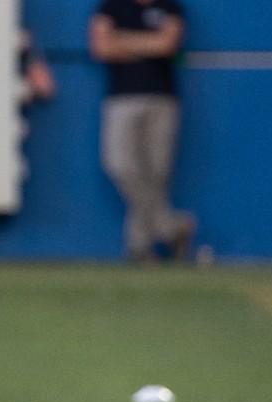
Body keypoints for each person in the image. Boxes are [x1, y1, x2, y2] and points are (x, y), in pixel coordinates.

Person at [90, 0, 196, 262]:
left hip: (162, 98)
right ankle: (170, 227)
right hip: (121, 99)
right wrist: (149, 44)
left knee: (156, 173)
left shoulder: (170, 7)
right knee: (120, 165)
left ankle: (140, 249)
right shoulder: (112, 7)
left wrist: (123, 40)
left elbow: (167, 44)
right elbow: (101, 47)